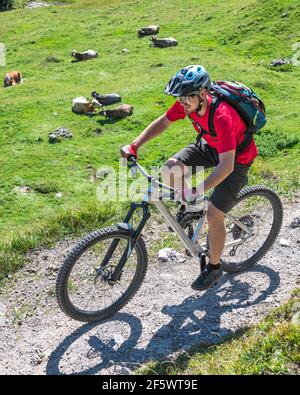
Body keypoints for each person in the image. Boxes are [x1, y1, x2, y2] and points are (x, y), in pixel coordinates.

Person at [121, 65, 258, 291]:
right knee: (169, 170)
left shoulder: (222, 116)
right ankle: (193, 209)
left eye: (186, 98)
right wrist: (135, 145)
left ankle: (214, 267)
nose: (182, 102)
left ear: (203, 94)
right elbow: (164, 121)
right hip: (211, 146)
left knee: (214, 215)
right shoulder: (190, 103)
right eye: (179, 98)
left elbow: (226, 166)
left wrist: (197, 190)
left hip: (237, 159)